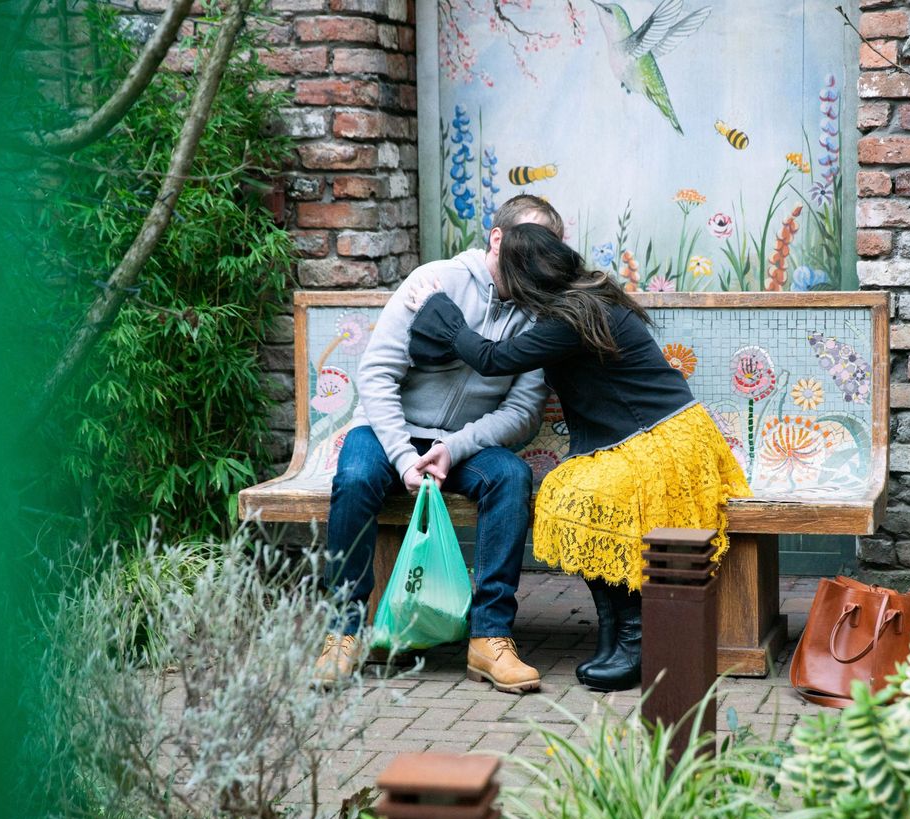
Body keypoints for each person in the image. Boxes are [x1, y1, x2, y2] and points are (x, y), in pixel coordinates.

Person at [406, 223, 752, 692]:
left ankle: (637, 637)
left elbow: (491, 358)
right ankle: (616, 636)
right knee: (568, 494)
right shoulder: (582, 297)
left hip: (661, 440)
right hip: (636, 438)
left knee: (580, 500)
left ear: (524, 275)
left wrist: (437, 310)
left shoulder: (570, 317)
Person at [313, 196, 563, 694]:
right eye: (527, 244)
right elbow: (378, 375)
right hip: (392, 431)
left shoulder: (539, 314)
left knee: (511, 477)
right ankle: (342, 632)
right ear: (497, 238)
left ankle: (490, 637)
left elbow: (522, 412)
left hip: (463, 446)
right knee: (356, 475)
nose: (536, 260)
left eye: (547, 249)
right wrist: (406, 457)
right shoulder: (438, 281)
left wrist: (456, 447)